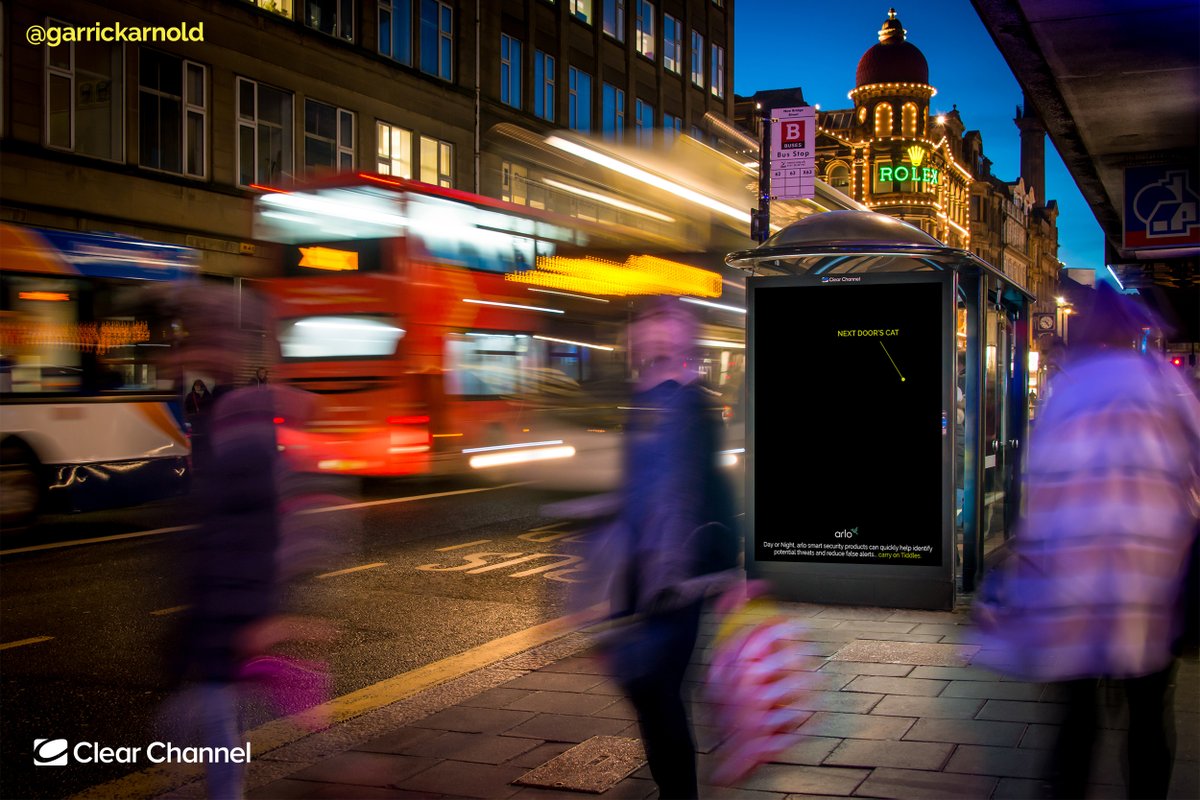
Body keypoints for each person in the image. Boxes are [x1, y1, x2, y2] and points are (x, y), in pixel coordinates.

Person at [974, 283, 1200, 799]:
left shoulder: (1068, 390)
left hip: (1073, 586)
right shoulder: (1164, 384)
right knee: (1149, 712)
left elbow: (1040, 485)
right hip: (1150, 583)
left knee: (1075, 716)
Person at [598, 299, 739, 800]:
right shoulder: (638, 401)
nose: (654, 334)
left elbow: (713, 486)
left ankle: (679, 794)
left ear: (685, 338)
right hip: (637, 570)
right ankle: (673, 787)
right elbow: (631, 487)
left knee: (658, 688)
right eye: (648, 325)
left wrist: (730, 569)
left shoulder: (695, 403)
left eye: (668, 325)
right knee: (644, 688)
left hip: (681, 572)